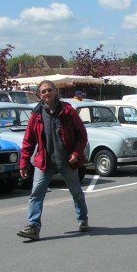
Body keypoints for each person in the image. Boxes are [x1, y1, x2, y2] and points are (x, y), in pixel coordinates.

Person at [17, 80, 89, 240]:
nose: (47, 93)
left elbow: (82, 135)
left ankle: (83, 218)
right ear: (39, 95)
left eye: (49, 90)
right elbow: (28, 141)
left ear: (55, 91)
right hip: (44, 161)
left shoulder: (68, 111)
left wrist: (77, 153)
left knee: (76, 192)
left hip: (67, 161)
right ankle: (33, 227)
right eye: (43, 91)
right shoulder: (36, 114)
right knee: (36, 194)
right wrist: (24, 162)